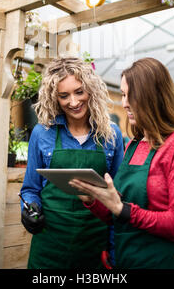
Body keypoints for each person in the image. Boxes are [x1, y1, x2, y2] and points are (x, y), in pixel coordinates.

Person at [70, 57, 174, 269]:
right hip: (128, 261)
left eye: (131, 95)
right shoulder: (133, 144)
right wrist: (93, 199)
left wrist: (123, 209)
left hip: (164, 262)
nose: (124, 103)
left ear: (153, 96)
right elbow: (118, 215)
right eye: (123, 95)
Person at [20, 57, 124, 269]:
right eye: (64, 95)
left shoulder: (111, 134)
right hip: (50, 244)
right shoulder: (42, 133)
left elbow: (119, 195)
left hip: (95, 245)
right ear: (54, 98)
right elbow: (31, 189)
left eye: (79, 92)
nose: (73, 102)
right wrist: (30, 209)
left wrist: (115, 250)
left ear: (91, 91)